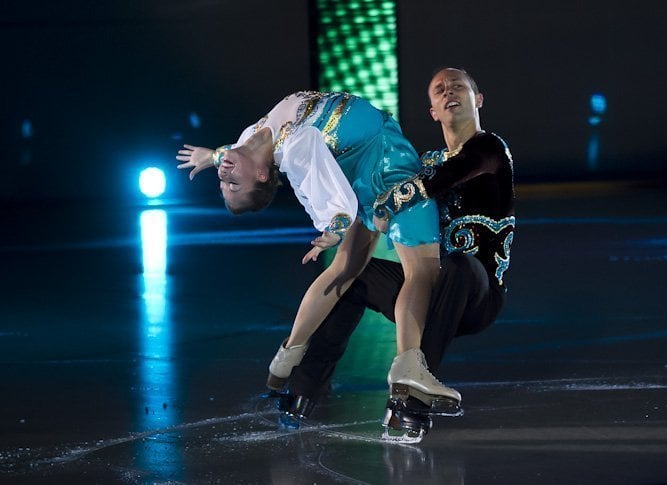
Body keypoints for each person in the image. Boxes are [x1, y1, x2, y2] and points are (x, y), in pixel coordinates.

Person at [176, 91, 461, 414]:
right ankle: (408, 369)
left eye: (223, 184)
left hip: (354, 165)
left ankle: (287, 358)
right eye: (234, 185)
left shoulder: (247, 140)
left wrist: (211, 156)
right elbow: (324, 188)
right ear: (262, 175)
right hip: (386, 164)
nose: (224, 177)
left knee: (345, 270)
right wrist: (335, 226)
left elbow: (233, 156)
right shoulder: (294, 150)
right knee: (422, 271)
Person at [280, 68, 516, 439]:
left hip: (476, 297)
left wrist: (392, 200)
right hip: (430, 291)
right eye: (439, 90)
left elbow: (440, 179)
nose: (449, 92)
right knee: (352, 276)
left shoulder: (489, 149)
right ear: (433, 111)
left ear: (478, 99)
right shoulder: (426, 163)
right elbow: (380, 209)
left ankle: (411, 405)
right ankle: (303, 391)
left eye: (458, 86)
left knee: (460, 265)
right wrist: (344, 228)